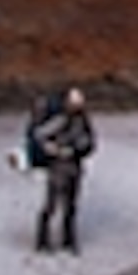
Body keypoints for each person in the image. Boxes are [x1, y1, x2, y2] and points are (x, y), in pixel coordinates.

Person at [30, 86, 96, 254]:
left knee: (71, 206)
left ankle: (68, 240)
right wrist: (53, 149)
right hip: (58, 166)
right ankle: (42, 240)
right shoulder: (59, 120)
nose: (78, 106)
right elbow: (40, 135)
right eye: (75, 103)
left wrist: (80, 149)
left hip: (75, 165)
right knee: (51, 205)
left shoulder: (83, 120)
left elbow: (91, 142)